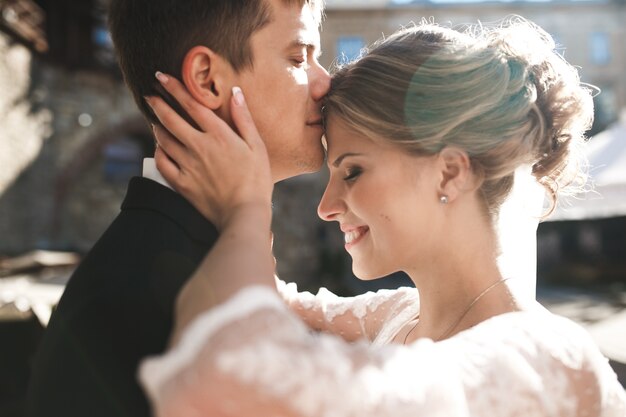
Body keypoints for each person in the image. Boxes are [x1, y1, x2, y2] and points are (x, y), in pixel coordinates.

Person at [140, 18, 626, 416]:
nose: (325, 207)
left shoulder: (548, 361)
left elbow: (228, 382)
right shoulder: (396, 317)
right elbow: (272, 302)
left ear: (449, 174)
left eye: (351, 171)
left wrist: (244, 210)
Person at [26, 1, 329, 416]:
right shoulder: (139, 298)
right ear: (207, 79)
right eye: (299, 57)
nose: (324, 82)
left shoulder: (176, 254)